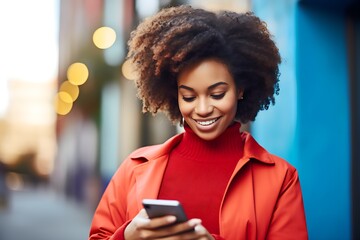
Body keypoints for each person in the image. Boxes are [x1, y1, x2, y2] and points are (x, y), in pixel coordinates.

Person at [89, 5, 308, 240]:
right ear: (175, 95)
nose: (202, 109)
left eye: (217, 94)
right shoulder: (135, 168)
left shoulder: (280, 179)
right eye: (189, 97)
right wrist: (126, 236)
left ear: (240, 89)